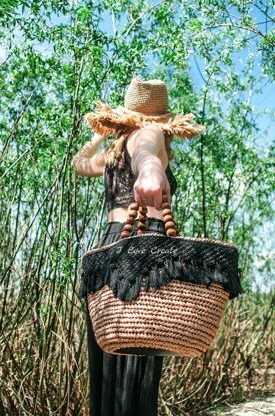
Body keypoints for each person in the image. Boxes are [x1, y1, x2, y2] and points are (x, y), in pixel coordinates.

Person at [71, 78, 205, 416]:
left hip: (108, 247)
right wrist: (149, 168)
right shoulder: (151, 134)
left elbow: (78, 163)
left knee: (108, 356)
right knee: (140, 358)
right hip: (145, 249)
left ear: (126, 116)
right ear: (161, 119)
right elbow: (147, 151)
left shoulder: (112, 153)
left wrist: (102, 133)